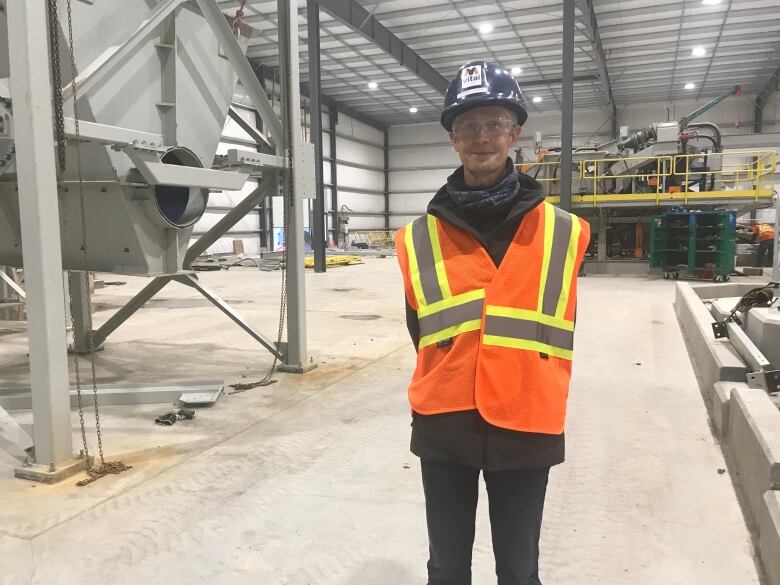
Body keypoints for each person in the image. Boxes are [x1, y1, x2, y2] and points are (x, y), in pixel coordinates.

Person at [395, 60, 590, 585]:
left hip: (528, 418)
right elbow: (421, 329)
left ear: (514, 133)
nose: (481, 137)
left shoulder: (568, 232)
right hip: (445, 418)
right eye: (467, 126)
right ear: (453, 139)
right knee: (447, 568)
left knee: (520, 571)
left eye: (493, 124)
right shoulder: (415, 238)